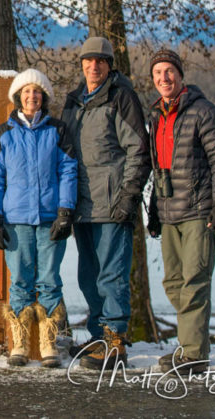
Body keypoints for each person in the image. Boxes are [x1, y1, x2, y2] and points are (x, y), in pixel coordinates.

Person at [60, 36, 150, 369]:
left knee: (111, 276)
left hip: (113, 202)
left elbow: (139, 150)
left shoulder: (121, 97)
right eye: (88, 60)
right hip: (82, 204)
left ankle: (115, 343)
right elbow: (64, 152)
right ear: (81, 64)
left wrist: (129, 195)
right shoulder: (73, 101)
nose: (94, 66)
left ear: (110, 65)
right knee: (88, 275)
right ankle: (99, 337)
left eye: (100, 60)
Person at [146, 49, 215, 374]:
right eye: (157, 74)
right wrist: (154, 210)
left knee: (195, 280)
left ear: (180, 75)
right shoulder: (156, 115)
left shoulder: (203, 112)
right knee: (173, 281)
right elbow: (158, 167)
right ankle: (190, 344)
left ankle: (194, 354)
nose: (163, 79)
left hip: (199, 210)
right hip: (169, 212)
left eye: (168, 72)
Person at [0, 69, 78, 367]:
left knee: (49, 280)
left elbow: (68, 171)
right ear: (17, 97)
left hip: (50, 217)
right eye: (26, 92)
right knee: (21, 281)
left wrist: (66, 211)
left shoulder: (58, 130)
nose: (32, 96)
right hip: (16, 218)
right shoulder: (5, 133)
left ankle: (48, 341)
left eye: (37, 91)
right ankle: (21, 343)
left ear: (44, 97)